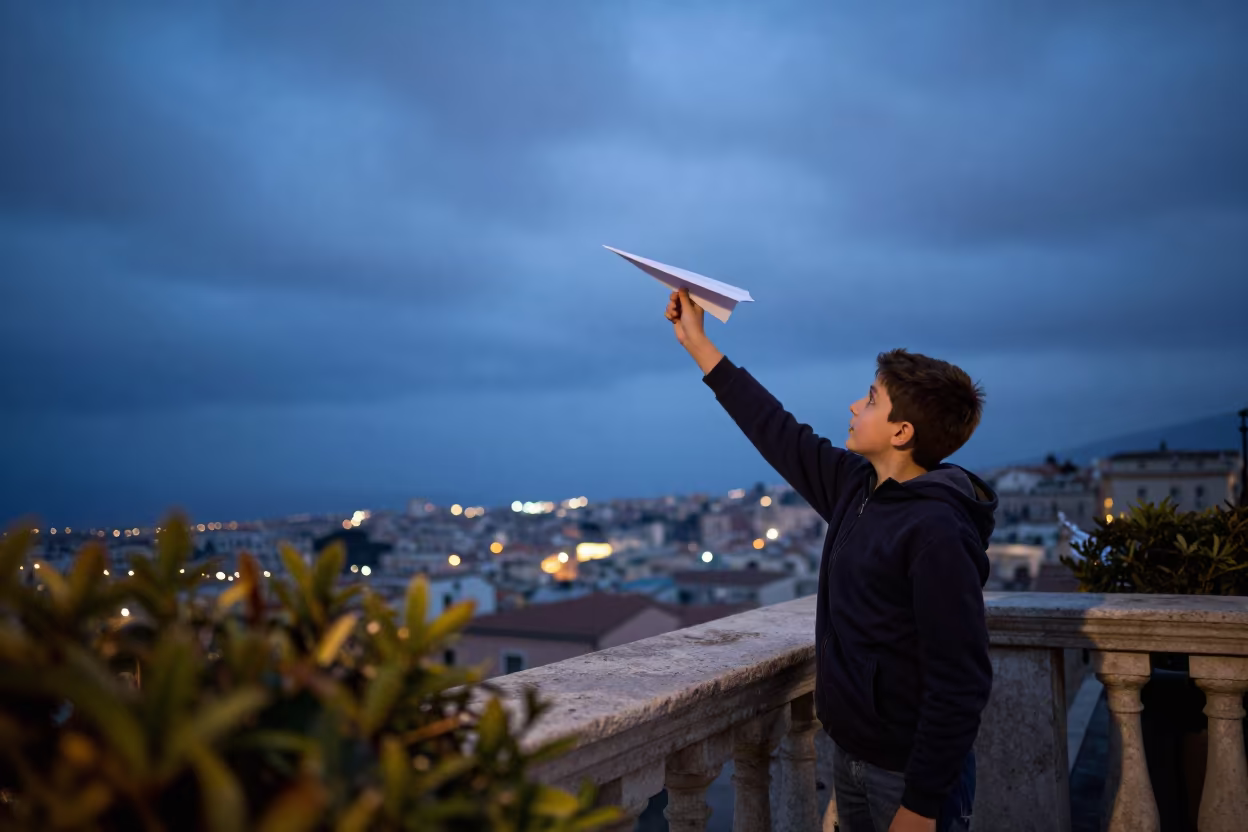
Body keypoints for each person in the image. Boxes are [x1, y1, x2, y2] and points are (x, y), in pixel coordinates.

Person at [665, 288, 995, 832]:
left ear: (901, 432)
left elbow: (960, 680)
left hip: (910, 778)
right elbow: (775, 429)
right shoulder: (856, 485)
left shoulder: (938, 530)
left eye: (870, 400)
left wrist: (921, 804)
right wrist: (699, 344)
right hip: (854, 759)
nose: (853, 406)